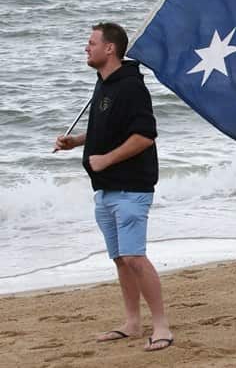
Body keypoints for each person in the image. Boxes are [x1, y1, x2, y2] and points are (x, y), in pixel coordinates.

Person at [54, 22, 173, 352]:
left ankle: (162, 326)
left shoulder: (131, 87)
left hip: (131, 188)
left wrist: (106, 159)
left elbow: (145, 135)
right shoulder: (103, 84)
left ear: (110, 49)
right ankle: (132, 322)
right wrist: (77, 142)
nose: (86, 47)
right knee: (121, 259)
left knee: (135, 257)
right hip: (105, 190)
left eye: (91, 43)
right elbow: (109, 129)